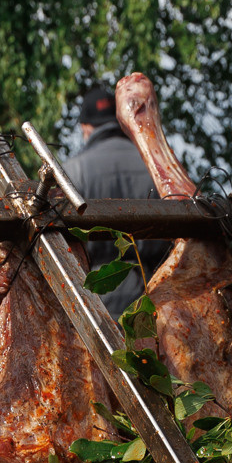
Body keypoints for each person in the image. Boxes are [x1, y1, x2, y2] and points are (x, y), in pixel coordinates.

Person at [61, 82, 170, 316]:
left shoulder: (71, 172)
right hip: (155, 298)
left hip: (96, 305)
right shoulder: (156, 165)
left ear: (85, 127)